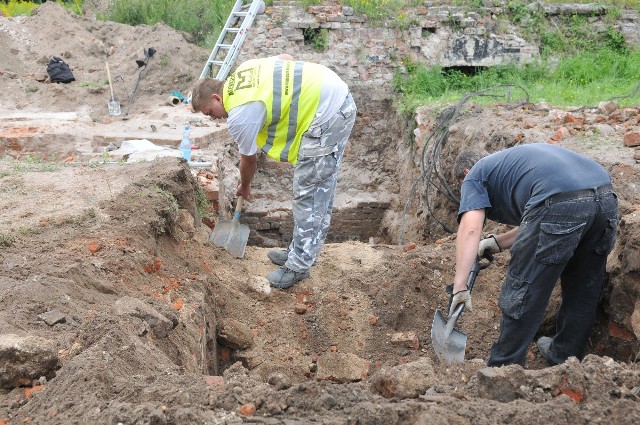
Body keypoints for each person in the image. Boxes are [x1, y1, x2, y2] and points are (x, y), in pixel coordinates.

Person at [191, 54, 356, 289]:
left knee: (308, 193)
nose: (214, 119)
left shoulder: (239, 113)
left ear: (217, 97)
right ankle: (301, 250)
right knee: (320, 186)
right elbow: (285, 58)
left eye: (210, 112)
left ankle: (298, 266)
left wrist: (245, 186)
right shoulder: (244, 71)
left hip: (327, 115)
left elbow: (248, 161)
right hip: (334, 97)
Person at [450, 143, 618, 367]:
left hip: (560, 202)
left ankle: (503, 369)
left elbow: (470, 229)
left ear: (465, 173)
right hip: (606, 198)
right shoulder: (516, 164)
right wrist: (496, 243)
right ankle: (564, 358)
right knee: (584, 288)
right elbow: (544, 216)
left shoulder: (475, 174)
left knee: (524, 289)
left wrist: (459, 286)